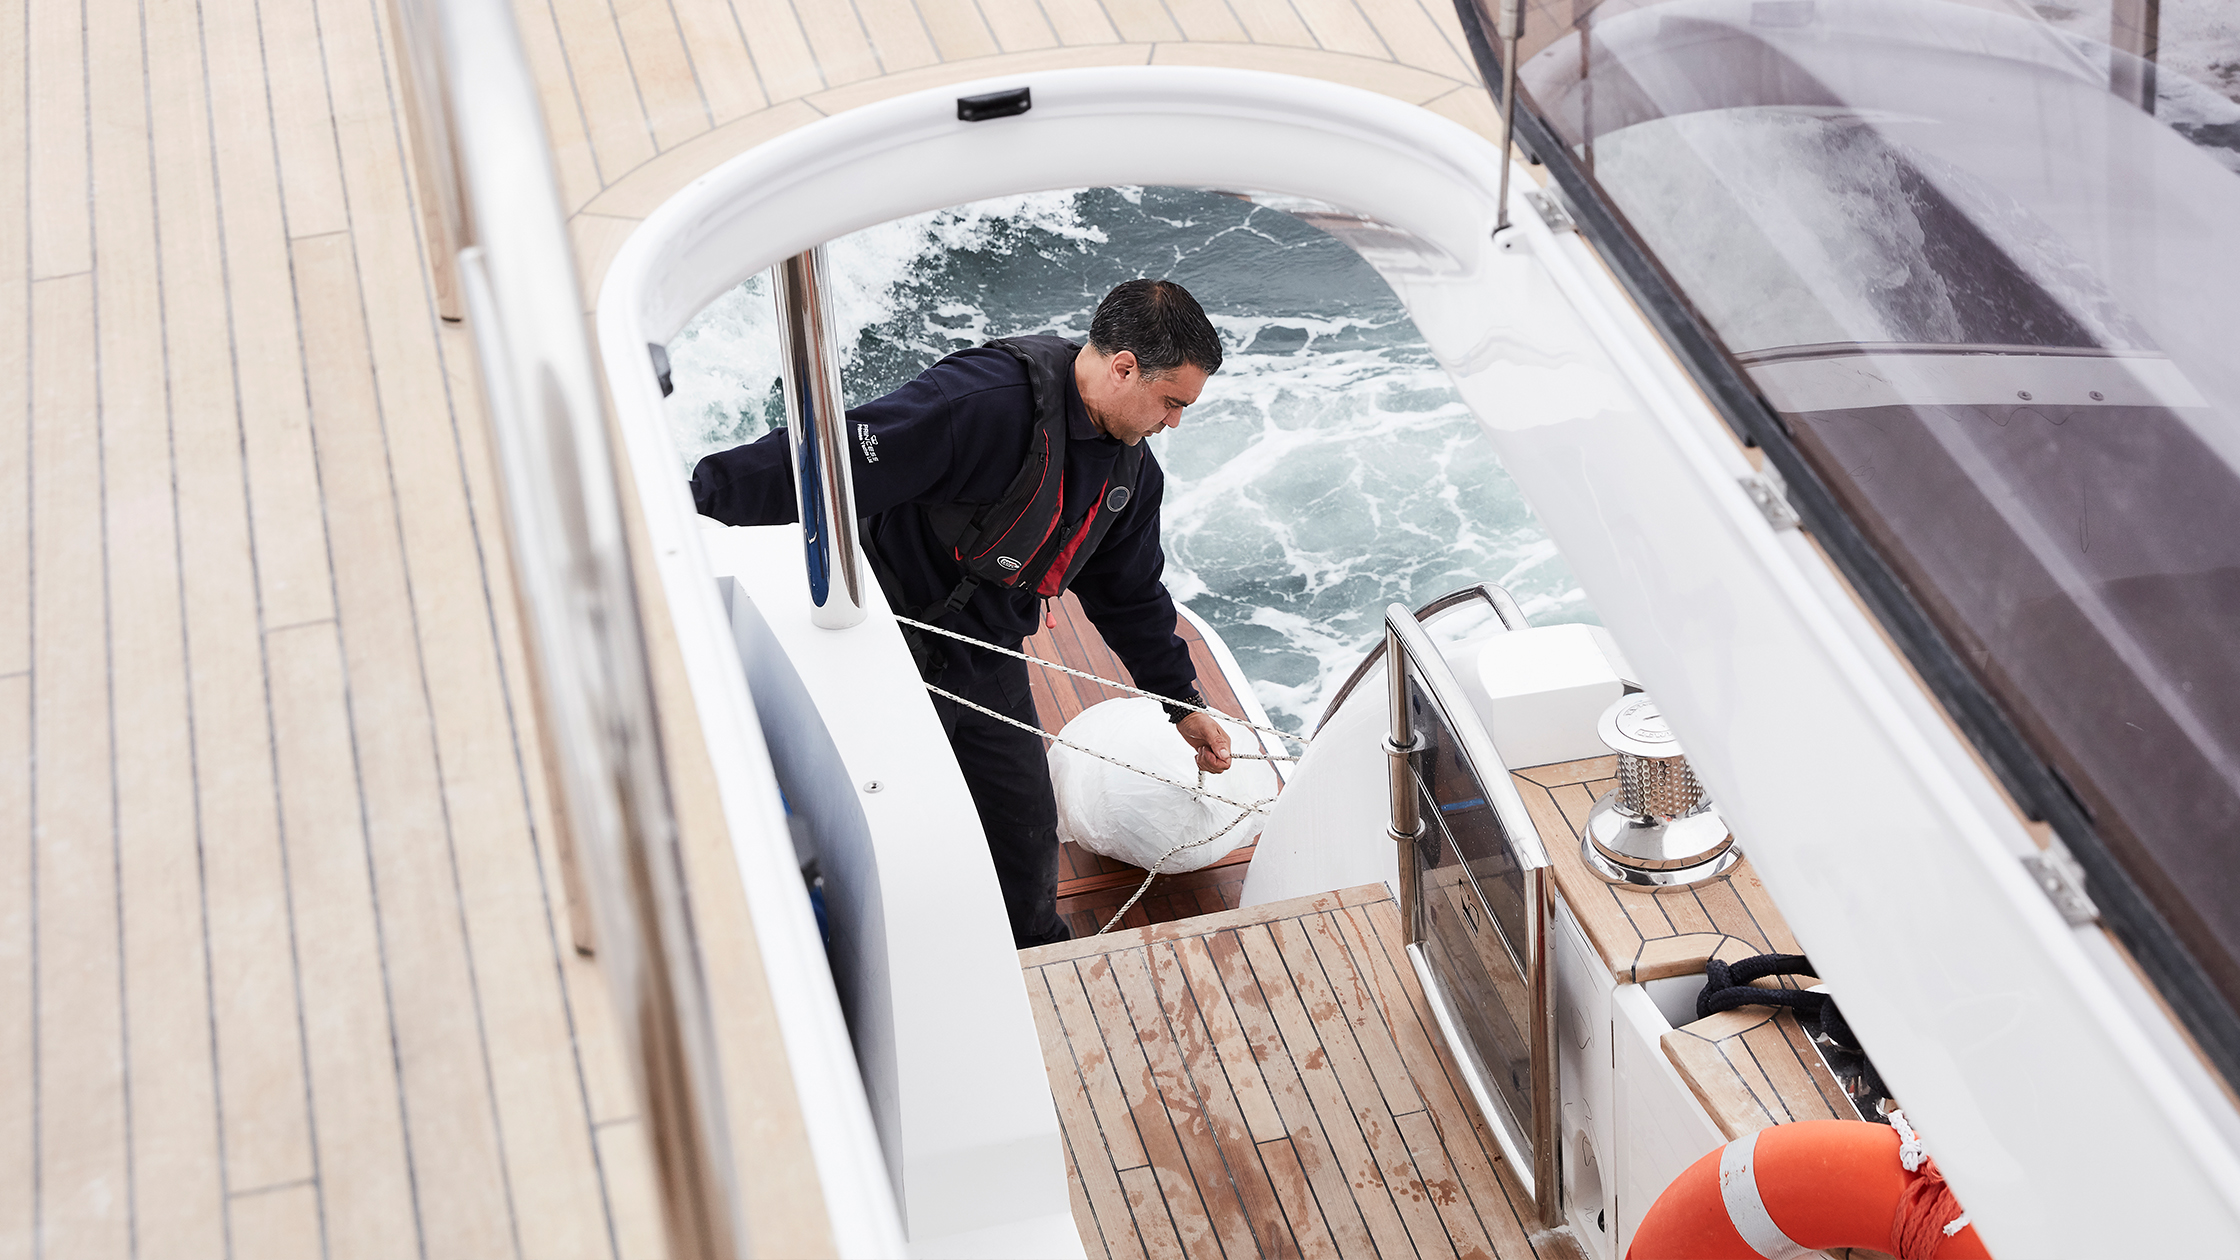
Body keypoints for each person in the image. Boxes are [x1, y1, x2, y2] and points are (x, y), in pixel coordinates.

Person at [690, 278, 1233, 948]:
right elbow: (827, 460)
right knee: (878, 827)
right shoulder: (984, 403)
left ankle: (1035, 954)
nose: (1173, 423)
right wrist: (687, 505)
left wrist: (1181, 703)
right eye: (1172, 402)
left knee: (1024, 827)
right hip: (877, 639)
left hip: (984, 653)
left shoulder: (1133, 478)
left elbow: (1132, 597)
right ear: (1124, 369)